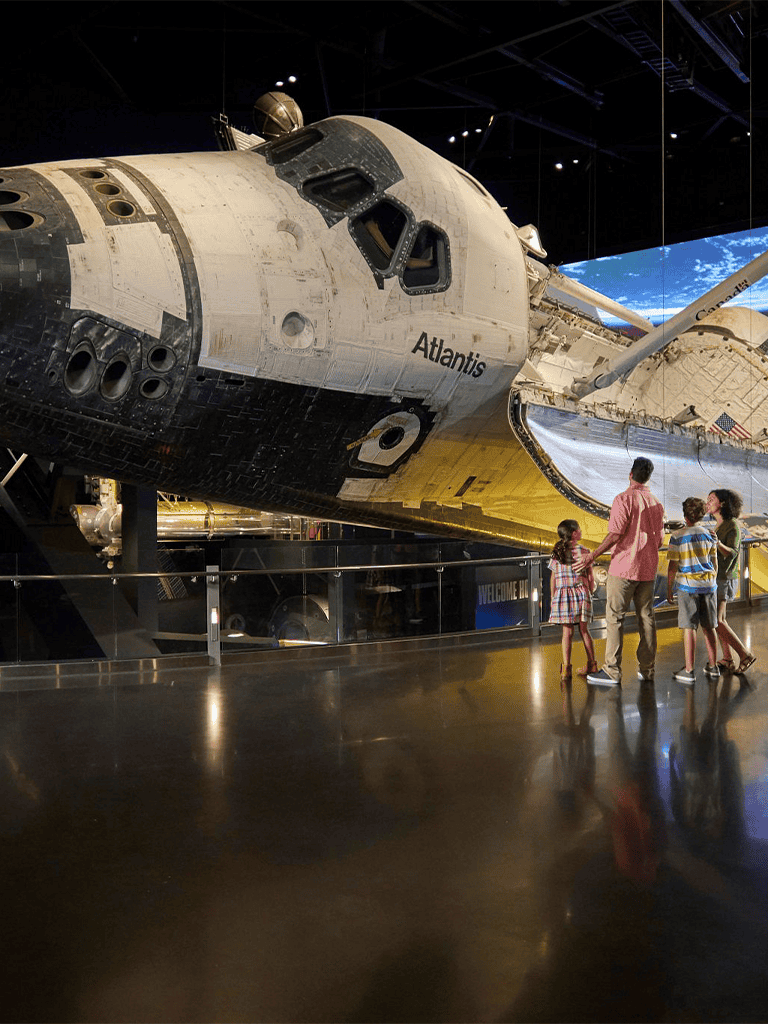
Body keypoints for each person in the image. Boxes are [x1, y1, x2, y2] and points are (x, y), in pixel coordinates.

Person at [575, 456, 665, 686]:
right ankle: (647, 669)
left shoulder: (623, 499)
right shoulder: (656, 503)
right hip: (648, 569)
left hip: (624, 567)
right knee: (646, 618)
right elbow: (660, 541)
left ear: (630, 474)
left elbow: (615, 534)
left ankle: (612, 671)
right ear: (648, 478)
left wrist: (592, 556)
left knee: (615, 618)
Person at [666, 497, 719, 684]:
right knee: (709, 627)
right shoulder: (710, 535)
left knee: (689, 627)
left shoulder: (677, 536)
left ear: (685, 515)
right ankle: (713, 666)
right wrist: (711, 580)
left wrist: (669, 588)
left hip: (688, 587)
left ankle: (689, 670)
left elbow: (673, 566)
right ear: (702, 515)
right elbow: (714, 563)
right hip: (709, 586)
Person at [707, 488, 756, 674]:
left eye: (712, 499)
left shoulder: (732, 525)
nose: (708, 502)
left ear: (723, 503)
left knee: (716, 620)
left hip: (724, 578)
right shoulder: (720, 524)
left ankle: (745, 654)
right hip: (718, 577)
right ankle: (727, 658)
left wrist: (717, 543)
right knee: (720, 620)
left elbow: (733, 552)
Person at [548, 519, 597, 681]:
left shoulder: (557, 552)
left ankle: (565, 670)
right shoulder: (584, 551)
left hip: (563, 595)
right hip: (581, 593)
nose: (581, 531)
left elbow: (553, 577)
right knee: (584, 631)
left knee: (567, 633)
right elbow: (590, 577)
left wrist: (553, 597)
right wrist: (590, 591)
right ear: (574, 533)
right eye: (579, 529)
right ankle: (592, 665)